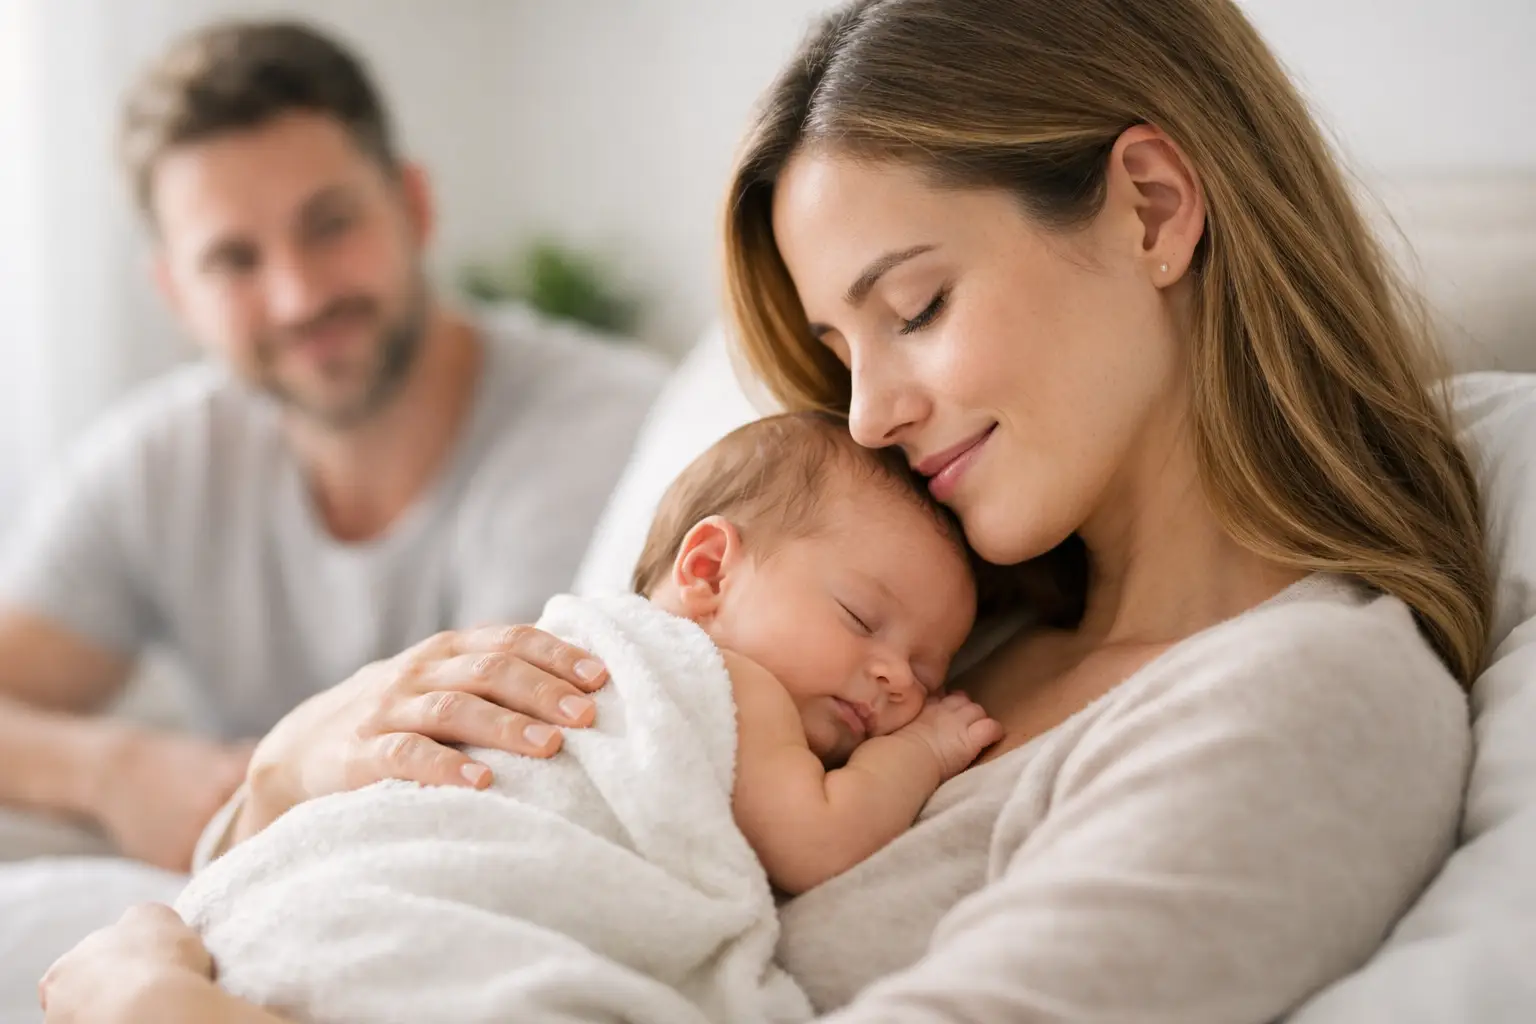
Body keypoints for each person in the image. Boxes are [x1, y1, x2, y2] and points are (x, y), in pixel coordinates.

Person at [39, 0, 1494, 1021]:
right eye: (840, 352)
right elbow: (368, 854)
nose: (867, 418)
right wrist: (297, 764)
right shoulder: (939, 614)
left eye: (915, 306)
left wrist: (146, 1003)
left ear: (1156, 208)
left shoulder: (1302, 701)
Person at [0, 19, 663, 873]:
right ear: (176, 294)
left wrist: (264, 784)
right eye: (234, 259)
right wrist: (111, 770)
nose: (297, 295)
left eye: (329, 224)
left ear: (413, 207)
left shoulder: (600, 428)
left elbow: (490, 778)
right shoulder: (152, 465)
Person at [168, 413, 997, 1024]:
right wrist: (924, 748)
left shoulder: (584, 641)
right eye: (861, 618)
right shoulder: (730, 683)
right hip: (433, 904)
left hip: (289, 919)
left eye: (928, 673)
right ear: (708, 571)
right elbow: (817, 839)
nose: (896, 678)